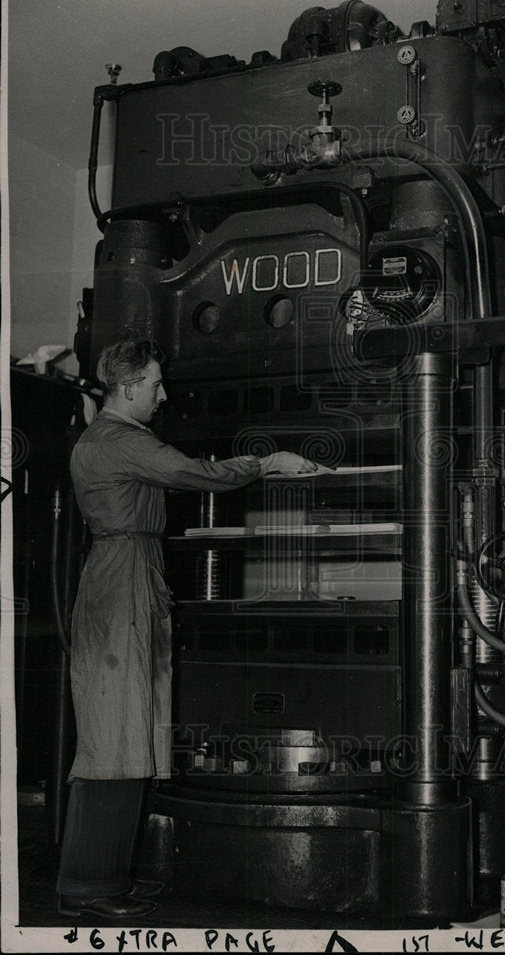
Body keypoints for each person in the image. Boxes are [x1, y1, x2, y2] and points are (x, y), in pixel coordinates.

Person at [56, 339, 316, 920]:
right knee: (113, 740)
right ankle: (86, 886)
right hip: (122, 579)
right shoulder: (120, 441)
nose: (163, 393)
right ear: (127, 388)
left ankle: (107, 878)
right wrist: (269, 461)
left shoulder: (109, 440)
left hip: (131, 573)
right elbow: (196, 474)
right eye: (154, 383)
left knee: (129, 732)